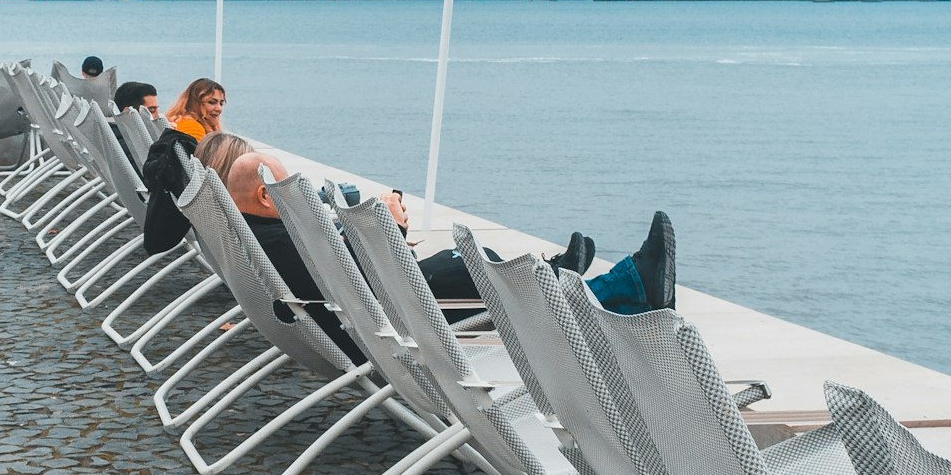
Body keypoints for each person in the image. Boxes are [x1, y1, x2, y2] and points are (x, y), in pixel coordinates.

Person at [216, 149, 675, 364]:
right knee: (470, 268)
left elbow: (335, 278)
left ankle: (562, 278)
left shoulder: (259, 235)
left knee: (472, 262)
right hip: (387, 332)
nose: (302, 195)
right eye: (289, 186)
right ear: (265, 195)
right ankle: (619, 288)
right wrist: (387, 231)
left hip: (371, 320)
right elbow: (352, 281)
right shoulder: (277, 236)